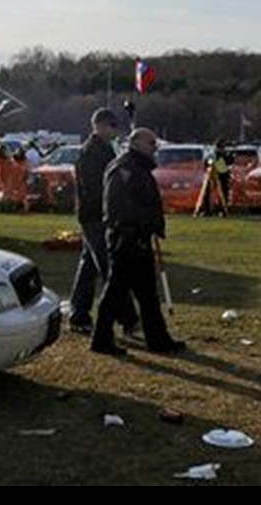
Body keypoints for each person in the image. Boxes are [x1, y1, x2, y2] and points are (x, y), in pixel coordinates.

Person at [91, 127, 185, 356]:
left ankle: (158, 339)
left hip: (139, 238)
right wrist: (143, 223)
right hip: (126, 239)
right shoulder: (123, 168)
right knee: (116, 291)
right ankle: (101, 339)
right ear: (137, 144)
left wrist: (152, 226)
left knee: (148, 293)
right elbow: (118, 207)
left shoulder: (137, 167)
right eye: (152, 144)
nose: (155, 148)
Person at [69, 108, 139, 335]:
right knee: (109, 266)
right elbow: (96, 189)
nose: (114, 130)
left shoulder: (105, 149)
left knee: (89, 266)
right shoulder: (90, 152)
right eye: (111, 125)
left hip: (98, 215)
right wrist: (111, 211)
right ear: (99, 125)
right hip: (95, 216)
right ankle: (127, 317)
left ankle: (79, 314)